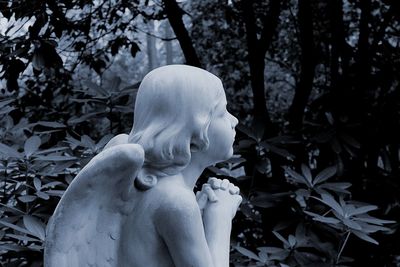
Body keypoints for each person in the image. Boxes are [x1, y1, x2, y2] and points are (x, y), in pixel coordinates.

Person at [44, 64, 242, 267]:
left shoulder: (145, 185)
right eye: (222, 113)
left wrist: (200, 213)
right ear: (194, 132)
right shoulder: (177, 202)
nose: (234, 120)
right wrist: (219, 216)